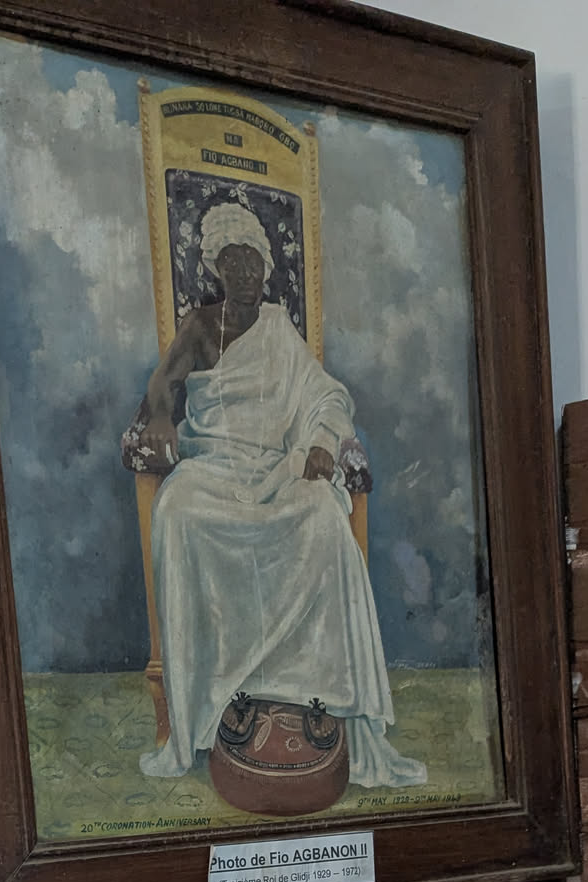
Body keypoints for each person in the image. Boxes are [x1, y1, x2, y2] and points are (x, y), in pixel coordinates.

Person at [135, 200, 426, 791]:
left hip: (275, 469)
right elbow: (162, 384)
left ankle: (311, 695)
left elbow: (325, 396)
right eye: (234, 259)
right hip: (213, 466)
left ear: (267, 268)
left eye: (254, 260)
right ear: (218, 266)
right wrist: (162, 417)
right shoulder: (200, 325)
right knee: (178, 511)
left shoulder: (279, 329)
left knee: (322, 514)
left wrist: (321, 441)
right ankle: (213, 700)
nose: (245, 271)